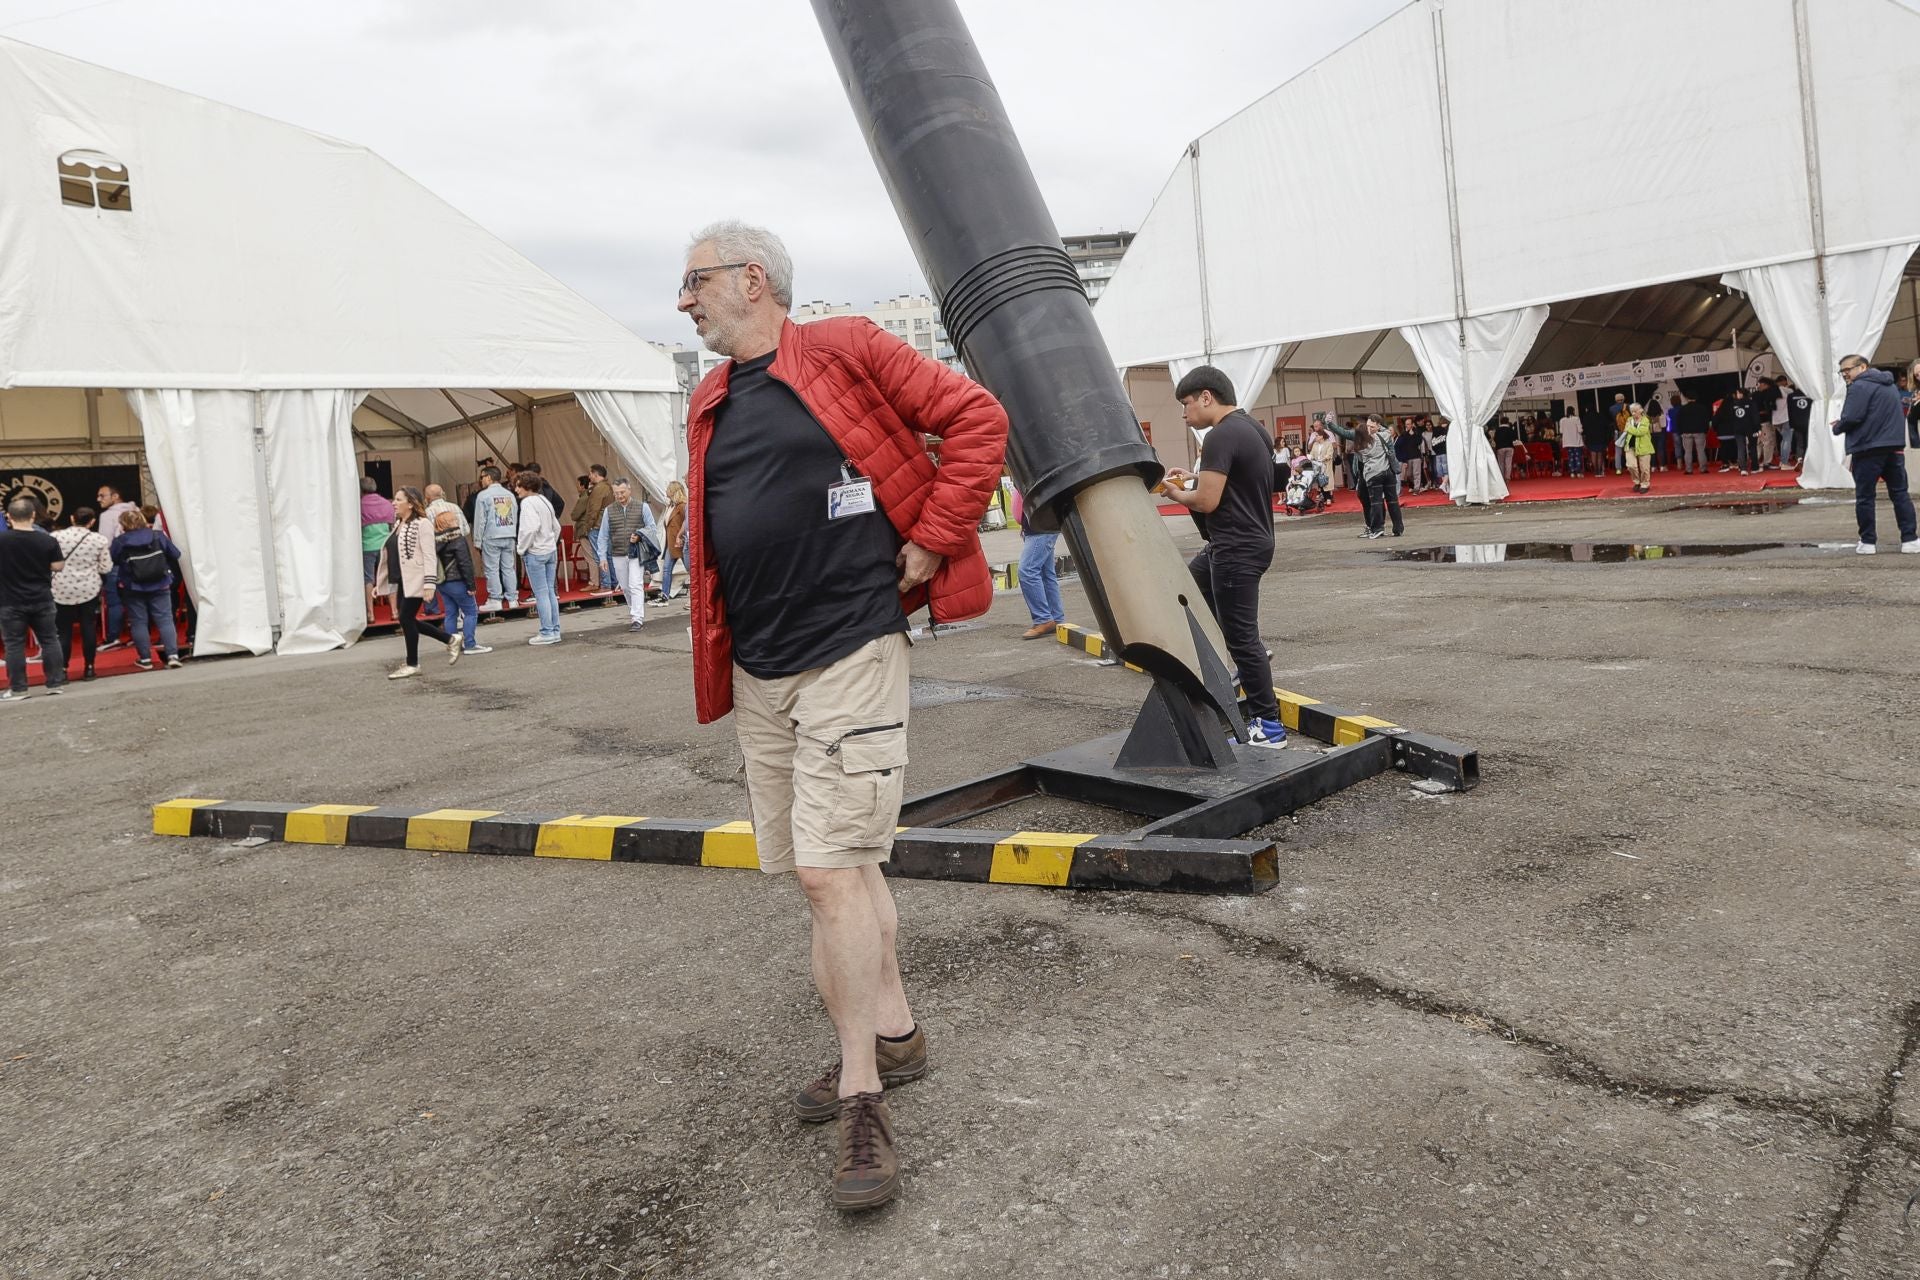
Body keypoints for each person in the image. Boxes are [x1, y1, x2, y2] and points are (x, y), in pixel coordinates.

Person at [679, 219, 1007, 1212]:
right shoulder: (708, 399)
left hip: (851, 645)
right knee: (844, 865)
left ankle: (863, 1086)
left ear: (751, 279)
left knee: (826, 871)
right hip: (762, 672)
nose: (684, 300)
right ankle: (898, 1031)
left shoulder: (847, 348)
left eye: (694, 282)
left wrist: (936, 538)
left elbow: (979, 419)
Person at [1161, 365, 1289, 749]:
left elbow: (1206, 500)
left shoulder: (1218, 436)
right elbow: (1231, 484)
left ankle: (1269, 727)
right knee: (1190, 584)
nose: (1184, 414)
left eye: (1186, 404)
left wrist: (1175, 492)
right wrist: (1193, 477)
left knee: (1240, 635)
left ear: (1206, 397)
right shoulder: (1251, 428)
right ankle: (1251, 653)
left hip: (1235, 546)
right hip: (1249, 540)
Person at [1832, 355, 1918, 554]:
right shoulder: (1890, 386)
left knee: (1865, 496)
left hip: (1867, 447)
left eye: (1848, 369)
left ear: (1862, 367)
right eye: (1842, 371)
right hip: (1894, 446)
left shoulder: (1858, 387)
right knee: (1900, 494)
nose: (1845, 374)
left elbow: (1852, 416)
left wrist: (1838, 427)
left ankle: (1868, 541)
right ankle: (1910, 539)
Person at [374, 487, 460, 677]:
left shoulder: (423, 524)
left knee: (406, 618)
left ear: (411, 504)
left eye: (398, 499)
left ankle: (413, 663)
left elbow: (430, 555)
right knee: (407, 620)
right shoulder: (399, 524)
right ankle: (450, 639)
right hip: (403, 580)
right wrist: (381, 581)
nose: (393, 503)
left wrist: (429, 584)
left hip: (417, 580)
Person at [0, 495, 68, 701]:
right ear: (33, 515)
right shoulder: (47, 539)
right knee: (49, 639)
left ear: (8, 517)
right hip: (42, 597)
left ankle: (19, 688)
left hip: (10, 599)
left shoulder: (2, 540)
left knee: (14, 644)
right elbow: (58, 566)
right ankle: (55, 682)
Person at [109, 509, 183, 670]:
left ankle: (145, 659)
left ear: (123, 525)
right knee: (165, 619)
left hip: (133, 585)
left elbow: (113, 560)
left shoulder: (120, 541)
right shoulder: (157, 535)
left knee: (138, 622)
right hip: (160, 582)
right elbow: (176, 554)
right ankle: (172, 655)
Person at [51, 507, 112, 682]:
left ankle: (62, 670)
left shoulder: (56, 537)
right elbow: (106, 567)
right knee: (88, 627)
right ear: (92, 522)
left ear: (72, 518)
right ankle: (90, 668)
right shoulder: (99, 539)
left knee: (63, 631)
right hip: (89, 588)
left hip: (61, 588)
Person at [596, 477, 656, 633]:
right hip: (617, 553)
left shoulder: (642, 507)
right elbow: (603, 536)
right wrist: (602, 557)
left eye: (622, 492)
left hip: (636, 553)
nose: (620, 496)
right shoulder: (609, 510)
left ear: (629, 490)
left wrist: (639, 535)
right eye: (616, 493)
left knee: (635, 584)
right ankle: (634, 610)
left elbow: (652, 528)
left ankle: (637, 618)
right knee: (625, 587)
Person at [1330, 414, 1401, 540]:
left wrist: (1329, 423)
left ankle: (1376, 528)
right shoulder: (1384, 435)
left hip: (1373, 474)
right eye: (1368, 426)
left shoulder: (1363, 443)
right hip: (1387, 472)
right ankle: (1398, 528)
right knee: (1392, 501)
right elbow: (1388, 435)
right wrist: (1379, 428)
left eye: (1371, 426)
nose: (1369, 428)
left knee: (1376, 502)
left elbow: (1344, 433)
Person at [514, 471, 562, 644]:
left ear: (527, 486)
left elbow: (530, 529)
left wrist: (521, 548)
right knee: (550, 592)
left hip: (535, 553)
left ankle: (547, 632)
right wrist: (550, 543)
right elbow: (556, 527)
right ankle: (554, 630)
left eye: (519, 485)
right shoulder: (544, 500)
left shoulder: (527, 503)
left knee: (541, 594)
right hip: (550, 551)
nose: (516, 489)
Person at [432, 509, 488, 656]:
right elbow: (465, 563)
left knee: (450, 613)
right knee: (470, 612)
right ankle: (470, 644)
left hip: (443, 582)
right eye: (454, 519)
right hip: (457, 581)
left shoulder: (435, 541)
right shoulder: (457, 539)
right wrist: (471, 585)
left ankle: (453, 645)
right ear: (450, 522)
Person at [1014, 487, 1065, 640]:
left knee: (1027, 571)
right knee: (1045, 574)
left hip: (1041, 527)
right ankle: (1056, 618)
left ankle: (1043, 619)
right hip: (1036, 527)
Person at [470, 466, 521, 611]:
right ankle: (512, 599)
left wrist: (477, 540)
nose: (481, 480)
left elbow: (480, 520)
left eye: (482, 477)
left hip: (491, 536)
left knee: (492, 569)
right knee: (508, 568)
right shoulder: (509, 494)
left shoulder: (483, 495)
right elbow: (515, 515)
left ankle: (495, 599)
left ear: (488, 477)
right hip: (509, 534)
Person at [359, 477, 395, 624]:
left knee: (368, 579)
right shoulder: (386, 503)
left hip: (367, 546)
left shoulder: (359, 505)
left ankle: (370, 614)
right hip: (385, 545)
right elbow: (392, 525)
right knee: (389, 577)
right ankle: (394, 611)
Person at [578, 465, 617, 592]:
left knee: (600, 556)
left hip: (597, 526)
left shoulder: (599, 489)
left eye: (590, 474)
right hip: (606, 525)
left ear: (595, 474)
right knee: (609, 555)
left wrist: (588, 527)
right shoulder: (608, 487)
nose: (589, 477)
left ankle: (606, 584)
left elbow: (593, 510)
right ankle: (614, 582)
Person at [659, 479, 689, 601]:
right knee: (666, 569)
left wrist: (682, 536)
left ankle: (694, 593)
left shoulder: (682, 506)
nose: (666, 491)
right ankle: (664, 594)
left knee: (689, 568)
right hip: (671, 543)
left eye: (668, 489)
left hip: (680, 541)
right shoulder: (670, 506)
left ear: (673, 491)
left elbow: (686, 522)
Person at [1716, 388, 1758, 474]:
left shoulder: (1734, 404)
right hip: (1750, 428)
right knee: (1752, 447)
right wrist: (1758, 428)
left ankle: (1743, 468)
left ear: (1741, 394)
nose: (1736, 395)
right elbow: (1755, 416)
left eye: (1738, 393)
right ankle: (1754, 467)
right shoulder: (1751, 403)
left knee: (1740, 447)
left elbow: (1731, 417)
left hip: (1738, 428)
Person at [1619, 403, 1656, 493]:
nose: (1633, 413)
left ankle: (1645, 484)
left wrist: (1629, 429)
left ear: (1641, 410)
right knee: (1631, 466)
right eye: (1632, 411)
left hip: (1644, 447)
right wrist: (1629, 429)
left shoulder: (1645, 420)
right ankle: (1637, 482)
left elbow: (1640, 432)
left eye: (1635, 411)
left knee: (1644, 468)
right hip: (1630, 446)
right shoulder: (1629, 419)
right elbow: (1625, 429)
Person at [1782, 375, 1813, 470]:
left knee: (1799, 443)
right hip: (1809, 422)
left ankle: (1799, 459)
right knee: (1809, 442)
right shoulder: (1810, 395)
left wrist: (1791, 423)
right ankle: (1809, 461)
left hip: (1796, 422)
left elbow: (1789, 411)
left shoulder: (1791, 396)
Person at [1558, 405, 1584, 477]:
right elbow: (1580, 430)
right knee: (1577, 456)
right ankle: (1578, 472)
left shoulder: (1562, 420)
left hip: (1567, 441)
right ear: (1573, 411)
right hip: (1576, 441)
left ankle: (1572, 472)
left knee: (1570, 456)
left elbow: (1561, 431)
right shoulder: (1576, 419)